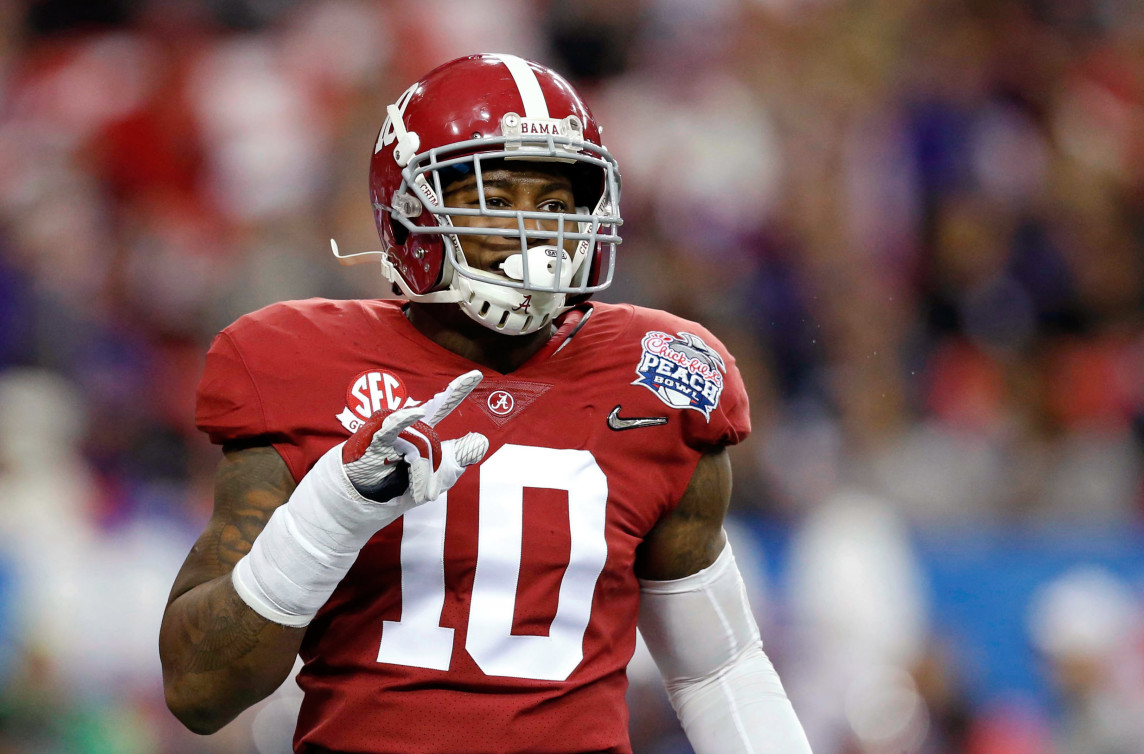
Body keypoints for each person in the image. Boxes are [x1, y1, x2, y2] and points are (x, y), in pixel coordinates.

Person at [159, 53, 811, 754]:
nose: (535, 233)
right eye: (495, 199)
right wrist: (331, 514)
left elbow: (720, 669)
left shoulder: (657, 376)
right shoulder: (301, 363)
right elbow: (200, 690)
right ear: (409, 209)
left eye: (556, 205)